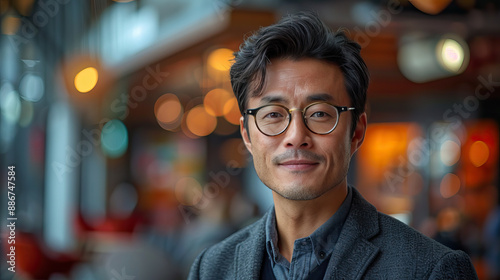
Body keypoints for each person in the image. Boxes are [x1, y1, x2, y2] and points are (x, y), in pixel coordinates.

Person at [188, 11, 478, 279]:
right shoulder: (212, 267)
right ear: (247, 135)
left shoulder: (429, 269)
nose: (296, 135)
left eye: (319, 113)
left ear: (357, 132)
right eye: (274, 115)